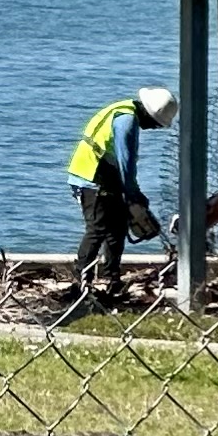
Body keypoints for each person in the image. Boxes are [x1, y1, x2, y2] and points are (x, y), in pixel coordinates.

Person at [66, 85, 176, 308]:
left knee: (117, 229)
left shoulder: (124, 110)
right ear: (150, 116)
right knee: (97, 229)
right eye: (156, 125)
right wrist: (134, 195)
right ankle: (80, 282)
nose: (154, 129)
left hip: (104, 176)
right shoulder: (127, 122)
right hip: (92, 177)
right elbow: (127, 164)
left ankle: (112, 280)